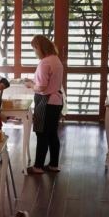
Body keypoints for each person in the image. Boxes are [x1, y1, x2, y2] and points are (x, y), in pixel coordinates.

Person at [25, 35, 64, 174]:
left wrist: (30, 84)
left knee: (42, 134)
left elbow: (41, 87)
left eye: (35, 48)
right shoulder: (56, 59)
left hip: (46, 101)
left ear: (40, 47)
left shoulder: (44, 62)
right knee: (52, 133)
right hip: (57, 100)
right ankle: (54, 164)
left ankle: (38, 166)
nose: (35, 51)